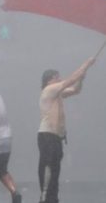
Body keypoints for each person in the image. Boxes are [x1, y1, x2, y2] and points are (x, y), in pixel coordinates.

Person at [38, 57, 95, 203]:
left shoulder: (58, 93)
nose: (60, 79)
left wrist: (81, 79)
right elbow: (70, 81)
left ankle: (52, 198)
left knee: (55, 169)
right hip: (47, 135)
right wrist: (86, 64)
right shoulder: (49, 89)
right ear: (49, 80)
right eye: (57, 77)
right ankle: (44, 197)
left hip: (56, 136)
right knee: (49, 166)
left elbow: (75, 89)